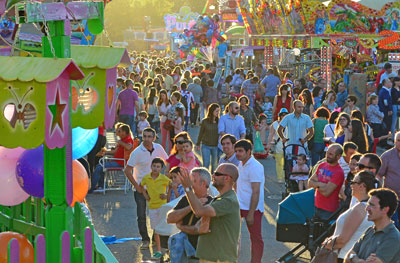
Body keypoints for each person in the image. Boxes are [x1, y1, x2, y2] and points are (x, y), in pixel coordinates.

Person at [177, 164, 241, 263]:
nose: (213, 176)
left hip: (219, 259)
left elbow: (199, 211)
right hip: (211, 257)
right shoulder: (219, 199)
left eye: (217, 174)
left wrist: (188, 188)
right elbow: (199, 226)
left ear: (227, 178)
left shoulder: (228, 201)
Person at [124, 127, 168, 249]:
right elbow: (127, 170)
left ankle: (155, 238)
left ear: (154, 138)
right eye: (145, 136)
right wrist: (136, 186)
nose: (147, 139)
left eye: (150, 136)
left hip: (157, 188)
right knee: (141, 215)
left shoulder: (158, 148)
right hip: (141, 188)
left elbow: (168, 161)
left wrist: (167, 178)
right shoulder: (137, 152)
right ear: (142, 137)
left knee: (158, 214)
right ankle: (145, 239)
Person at [323, 171, 376, 263]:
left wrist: (326, 244)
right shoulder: (368, 207)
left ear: (362, 186)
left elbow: (342, 240)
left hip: (343, 256)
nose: (350, 185)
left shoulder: (360, 208)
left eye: (353, 182)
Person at [167, 167, 213, 263]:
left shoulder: (212, 203)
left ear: (203, 183)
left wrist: (181, 226)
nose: (189, 184)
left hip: (201, 251)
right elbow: (170, 218)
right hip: (184, 249)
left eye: (193, 181)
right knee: (176, 239)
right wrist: (191, 207)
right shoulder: (186, 199)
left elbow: (197, 230)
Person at [344, 188, 400, 263]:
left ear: (385, 210)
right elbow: (347, 257)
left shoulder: (393, 237)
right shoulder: (370, 230)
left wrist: (353, 258)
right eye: (368, 204)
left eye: (372, 205)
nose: (367, 208)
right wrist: (358, 260)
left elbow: (350, 257)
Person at [235, 140, 265, 263]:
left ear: (248, 151)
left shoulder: (255, 166)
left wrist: (251, 213)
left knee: (256, 238)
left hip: (253, 209)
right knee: (233, 236)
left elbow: (256, 191)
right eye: (236, 151)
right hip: (239, 206)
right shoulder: (240, 164)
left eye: (240, 151)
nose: (238, 154)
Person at [139, 158, 171, 259]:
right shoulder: (146, 177)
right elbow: (141, 186)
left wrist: (166, 196)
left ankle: (168, 250)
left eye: (158, 167)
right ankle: (158, 251)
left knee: (166, 228)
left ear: (161, 168)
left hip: (163, 206)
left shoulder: (164, 178)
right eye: (154, 166)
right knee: (156, 230)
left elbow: (172, 186)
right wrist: (145, 195)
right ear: (151, 166)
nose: (155, 168)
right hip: (152, 207)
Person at [90, 124, 133, 192]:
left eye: (120, 131)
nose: (118, 132)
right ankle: (101, 185)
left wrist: (120, 142)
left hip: (120, 162)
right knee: (101, 164)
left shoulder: (128, 139)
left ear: (124, 132)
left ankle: (92, 187)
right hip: (117, 161)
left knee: (100, 167)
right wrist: (105, 152)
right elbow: (115, 152)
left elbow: (129, 147)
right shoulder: (123, 139)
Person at [308, 144, 345, 220]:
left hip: (328, 211)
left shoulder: (338, 172)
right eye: (327, 153)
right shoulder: (322, 165)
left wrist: (316, 184)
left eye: (331, 154)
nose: (327, 155)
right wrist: (321, 184)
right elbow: (309, 183)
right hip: (315, 205)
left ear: (338, 156)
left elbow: (326, 193)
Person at [376, 131, 400, 229]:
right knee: (393, 226)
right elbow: (378, 175)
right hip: (391, 199)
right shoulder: (387, 156)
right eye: (398, 140)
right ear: (394, 141)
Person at [266, 108, 289, 183]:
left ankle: (286, 177)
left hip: (288, 146)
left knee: (287, 163)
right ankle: (280, 177)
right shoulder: (275, 124)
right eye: (282, 115)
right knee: (279, 163)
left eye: (285, 115)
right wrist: (269, 144)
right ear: (280, 116)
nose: (284, 116)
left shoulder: (289, 124)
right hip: (278, 146)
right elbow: (271, 134)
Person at [196, 103, 220, 173]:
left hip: (215, 146)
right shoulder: (205, 121)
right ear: (212, 111)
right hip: (205, 145)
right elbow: (201, 133)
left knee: (214, 165)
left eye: (219, 111)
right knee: (206, 164)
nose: (218, 113)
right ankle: (205, 178)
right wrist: (198, 144)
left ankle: (213, 180)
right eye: (216, 111)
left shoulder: (220, 121)